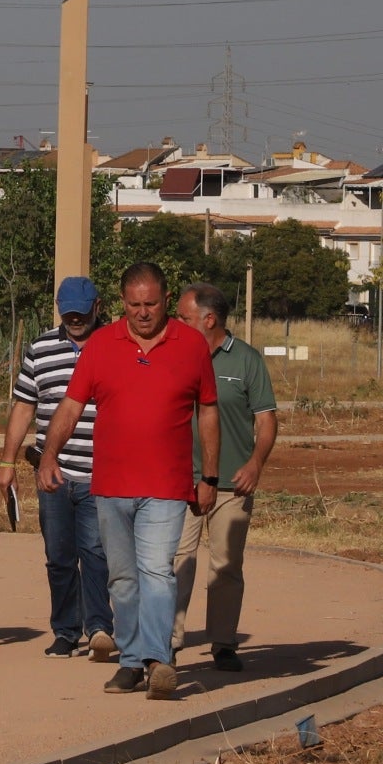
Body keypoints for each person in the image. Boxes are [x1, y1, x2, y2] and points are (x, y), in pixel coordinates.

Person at [37, 261, 219, 702]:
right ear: (122, 303)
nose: (143, 313)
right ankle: (132, 660)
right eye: (135, 304)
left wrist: (209, 474)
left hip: (167, 486)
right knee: (122, 578)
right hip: (111, 486)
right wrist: (48, 455)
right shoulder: (101, 345)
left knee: (157, 571)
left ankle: (159, 660)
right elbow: (71, 404)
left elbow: (208, 410)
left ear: (165, 299)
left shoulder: (191, 344)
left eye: (152, 304)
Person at [0, 276, 111, 661]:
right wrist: (7, 460)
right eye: (68, 313)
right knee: (59, 555)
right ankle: (66, 631)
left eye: (82, 312)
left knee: (96, 552)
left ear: (98, 306)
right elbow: (25, 406)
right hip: (52, 473)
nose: (75, 320)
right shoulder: (41, 348)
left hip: (102, 471)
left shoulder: (117, 343)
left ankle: (100, 627)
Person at [171, 283, 277, 673]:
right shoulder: (177, 355)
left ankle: (223, 642)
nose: (177, 324)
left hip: (232, 483)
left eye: (184, 317)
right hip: (182, 481)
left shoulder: (247, 360)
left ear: (209, 319)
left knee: (226, 565)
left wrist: (256, 463)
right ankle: (168, 640)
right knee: (176, 561)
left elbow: (266, 419)